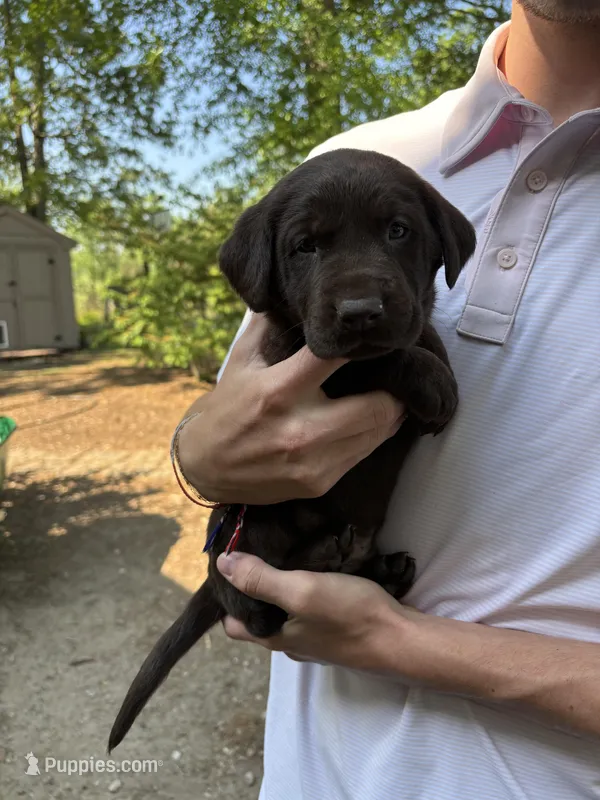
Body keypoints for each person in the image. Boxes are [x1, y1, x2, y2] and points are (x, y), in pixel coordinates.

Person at [176, 2, 600, 797]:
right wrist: (193, 455)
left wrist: (400, 642)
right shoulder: (365, 155)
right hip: (316, 774)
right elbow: (238, 415)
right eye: (312, 247)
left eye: (398, 234)